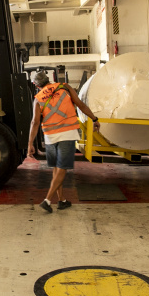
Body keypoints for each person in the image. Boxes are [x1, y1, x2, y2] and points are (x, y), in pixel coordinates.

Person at [27, 71, 101, 213]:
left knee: (56, 168)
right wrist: (94, 118)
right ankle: (47, 200)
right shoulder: (65, 87)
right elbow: (80, 104)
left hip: (50, 136)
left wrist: (30, 144)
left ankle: (61, 200)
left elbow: (35, 122)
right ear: (49, 80)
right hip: (67, 133)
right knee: (62, 168)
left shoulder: (38, 99)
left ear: (36, 85)